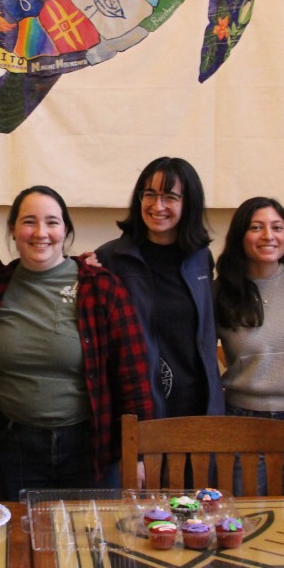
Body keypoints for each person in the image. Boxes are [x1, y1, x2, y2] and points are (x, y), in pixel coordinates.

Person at [0, 186, 156, 500]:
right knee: (22, 542)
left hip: (90, 449)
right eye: (29, 221)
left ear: (66, 231)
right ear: (13, 230)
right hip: (13, 448)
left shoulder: (101, 287)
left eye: (52, 222)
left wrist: (138, 453)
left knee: (91, 545)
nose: (41, 233)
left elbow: (133, 376)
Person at [94, 157, 223, 418]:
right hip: (137, 407)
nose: (157, 205)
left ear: (189, 203)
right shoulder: (110, 258)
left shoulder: (200, 257)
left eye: (170, 197)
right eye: (150, 194)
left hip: (196, 404)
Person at [214, 196, 284, 494]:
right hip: (242, 420)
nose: (269, 236)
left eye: (277, 227)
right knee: (245, 518)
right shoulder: (220, 290)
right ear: (240, 236)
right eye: (256, 227)